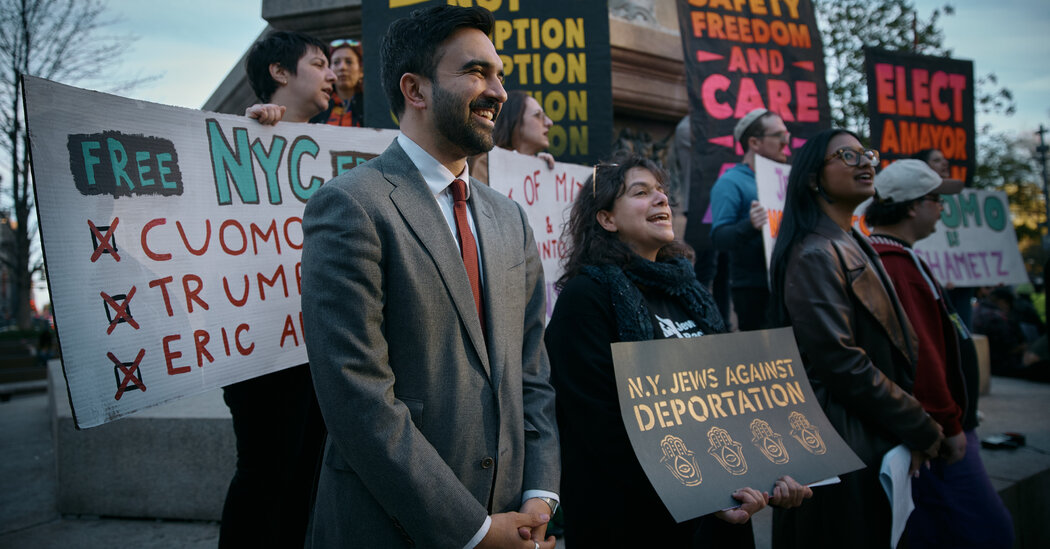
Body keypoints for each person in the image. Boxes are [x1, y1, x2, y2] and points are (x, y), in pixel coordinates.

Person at [300, 5, 560, 548]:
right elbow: (357, 396)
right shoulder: (350, 205)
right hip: (392, 529)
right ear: (415, 90)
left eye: (499, 74)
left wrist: (540, 492)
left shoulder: (510, 217)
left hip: (518, 519)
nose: (498, 91)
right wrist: (474, 531)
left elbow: (531, 370)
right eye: (475, 72)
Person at [545, 152, 811, 548]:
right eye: (641, 192)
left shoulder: (690, 292)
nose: (661, 200)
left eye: (662, 192)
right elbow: (597, 426)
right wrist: (699, 492)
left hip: (720, 517)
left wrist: (774, 471)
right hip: (634, 520)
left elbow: (733, 403)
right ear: (607, 219)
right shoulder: (587, 297)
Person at [768, 129, 944, 548]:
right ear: (813, 178)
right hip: (841, 442)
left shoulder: (850, 240)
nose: (865, 162)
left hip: (868, 433)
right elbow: (842, 362)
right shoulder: (814, 253)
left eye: (867, 153)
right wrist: (918, 423)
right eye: (847, 155)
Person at [219, 30, 335, 548]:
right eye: (318, 63)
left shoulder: (336, 153)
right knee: (268, 471)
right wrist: (252, 132)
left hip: (321, 342)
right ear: (280, 73)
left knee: (311, 472)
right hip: (263, 345)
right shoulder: (236, 140)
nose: (332, 74)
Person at [864, 159, 1013, 548]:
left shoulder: (895, 258)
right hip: (937, 434)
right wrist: (948, 423)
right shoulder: (896, 266)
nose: (943, 208)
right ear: (913, 205)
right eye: (937, 199)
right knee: (990, 531)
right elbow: (922, 355)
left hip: (929, 428)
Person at [710, 108, 790, 331]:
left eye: (787, 134)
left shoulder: (786, 179)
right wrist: (750, 225)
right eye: (779, 136)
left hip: (790, 285)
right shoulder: (730, 183)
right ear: (754, 142)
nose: (786, 141)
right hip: (755, 292)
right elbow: (719, 238)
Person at [469, 89, 555, 183]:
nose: (549, 122)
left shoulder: (539, 167)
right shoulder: (488, 164)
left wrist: (540, 170)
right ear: (514, 120)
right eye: (538, 115)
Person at [311, 38, 365, 127]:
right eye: (336, 62)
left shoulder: (372, 107)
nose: (342, 67)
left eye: (349, 62)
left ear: (361, 71)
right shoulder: (318, 105)